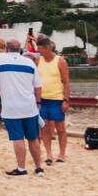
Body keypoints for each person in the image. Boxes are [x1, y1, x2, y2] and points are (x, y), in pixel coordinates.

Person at [0, 39, 45, 176]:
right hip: (29, 106)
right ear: (20, 49)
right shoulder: (29, 62)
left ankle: (21, 168)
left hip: (10, 106)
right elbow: (37, 86)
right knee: (33, 138)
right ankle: (38, 167)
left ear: (6, 49)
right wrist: (38, 102)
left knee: (18, 138)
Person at [35, 36, 70, 164]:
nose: (39, 51)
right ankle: (49, 154)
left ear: (47, 48)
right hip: (43, 99)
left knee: (60, 128)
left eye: (40, 49)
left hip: (57, 99)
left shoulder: (60, 61)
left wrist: (66, 100)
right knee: (44, 128)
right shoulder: (38, 61)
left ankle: (62, 154)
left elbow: (66, 82)